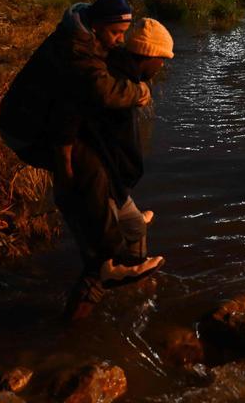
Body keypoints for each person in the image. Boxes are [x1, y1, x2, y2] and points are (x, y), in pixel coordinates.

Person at [0, 0, 159, 312]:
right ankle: (107, 260)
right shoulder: (77, 52)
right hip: (24, 130)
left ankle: (112, 244)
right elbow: (96, 94)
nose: (120, 40)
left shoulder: (89, 40)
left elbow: (70, 112)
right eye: (116, 33)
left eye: (124, 33)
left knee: (91, 172)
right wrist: (138, 91)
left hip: (42, 122)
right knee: (90, 171)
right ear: (97, 25)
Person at [61, 17, 174, 319]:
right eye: (162, 59)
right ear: (149, 56)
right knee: (97, 266)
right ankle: (71, 333)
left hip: (113, 181)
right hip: (96, 181)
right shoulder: (114, 84)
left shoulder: (123, 77)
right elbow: (87, 133)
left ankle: (134, 296)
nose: (163, 66)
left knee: (135, 226)